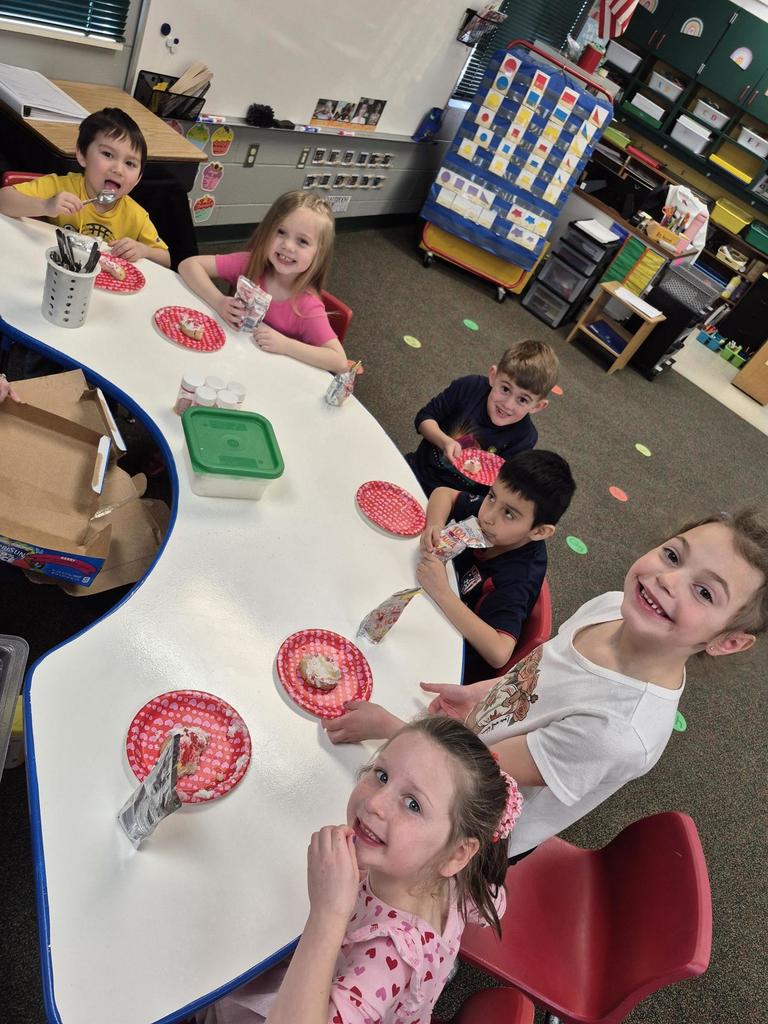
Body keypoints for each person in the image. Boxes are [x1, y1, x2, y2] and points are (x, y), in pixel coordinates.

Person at [324, 508, 768, 864]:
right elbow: (540, 674)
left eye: (705, 593)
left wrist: (390, 726)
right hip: (467, 748)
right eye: (673, 556)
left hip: (469, 827)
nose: (668, 580)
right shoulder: (612, 607)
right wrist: (485, 694)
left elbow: (469, 775)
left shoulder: (618, 731)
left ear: (728, 641)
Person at [195, 717, 521, 1024]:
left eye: (413, 804)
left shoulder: (387, 957)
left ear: (459, 853)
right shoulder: (458, 880)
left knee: (210, 983)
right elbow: (496, 901)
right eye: (382, 775)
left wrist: (328, 913)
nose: (376, 803)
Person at [418, 450, 576, 682]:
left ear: (539, 531)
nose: (488, 516)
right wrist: (434, 524)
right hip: (439, 605)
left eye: (509, 514)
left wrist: (441, 591)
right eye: (491, 496)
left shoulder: (516, 578)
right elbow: (444, 495)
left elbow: (499, 652)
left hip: (452, 658)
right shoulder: (495, 515)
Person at [179, 191, 347, 373]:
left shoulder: (307, 306)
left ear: (318, 254)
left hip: (268, 375)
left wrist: (287, 345)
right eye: (281, 232)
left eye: (302, 241)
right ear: (267, 231)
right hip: (228, 360)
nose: (288, 246)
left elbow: (339, 361)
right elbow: (188, 265)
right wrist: (219, 301)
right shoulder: (250, 264)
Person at [0, 107, 170, 268]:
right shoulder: (62, 187)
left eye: (130, 163)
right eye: (107, 154)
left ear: (138, 178)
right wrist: (46, 206)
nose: (118, 169)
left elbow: (165, 259)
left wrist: (143, 250)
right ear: (82, 155)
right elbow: (3, 199)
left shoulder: (136, 216)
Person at [406, 340, 559, 496]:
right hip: (417, 472)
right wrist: (445, 442)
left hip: (457, 502)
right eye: (505, 389)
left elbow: (501, 487)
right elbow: (424, 417)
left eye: (522, 400)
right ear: (493, 376)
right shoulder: (469, 387)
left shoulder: (525, 437)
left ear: (537, 406)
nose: (508, 405)